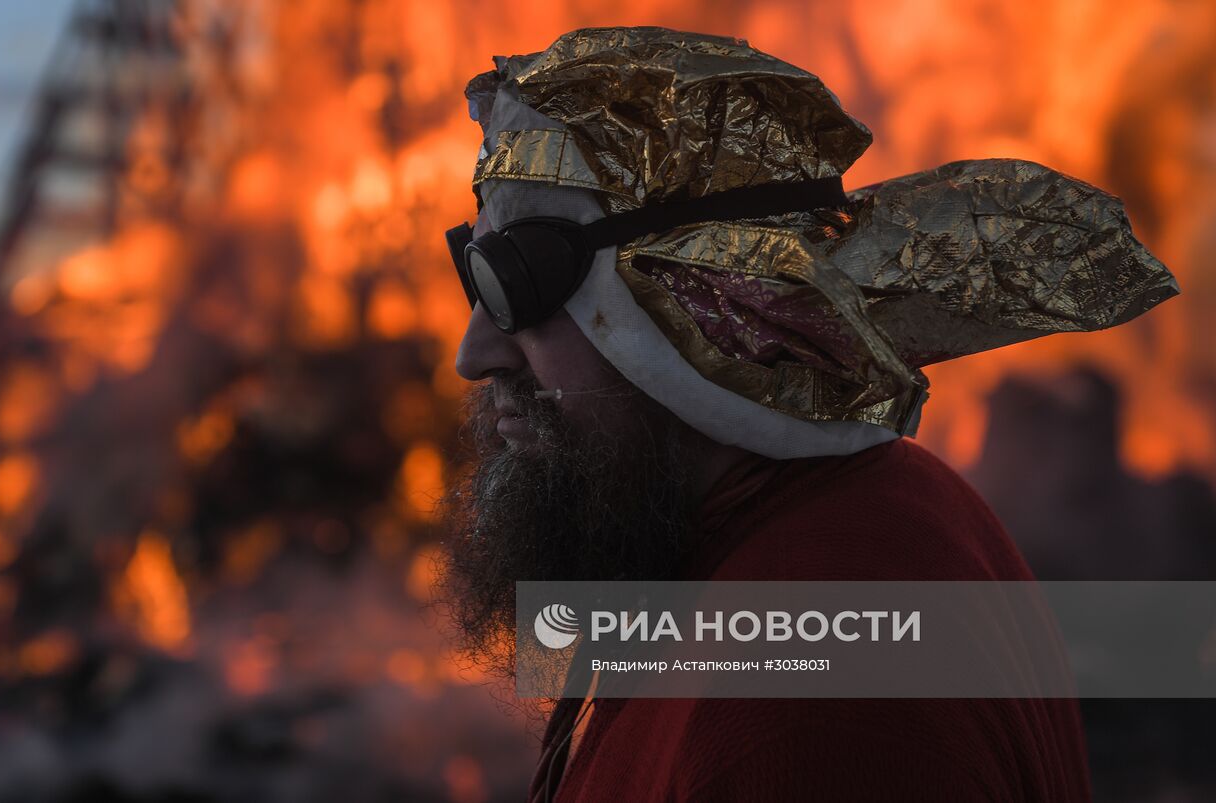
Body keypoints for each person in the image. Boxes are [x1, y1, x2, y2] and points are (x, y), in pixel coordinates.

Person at [434, 26, 1178, 802]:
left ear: (698, 306)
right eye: (472, 268)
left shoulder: (810, 703)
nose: (475, 352)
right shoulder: (746, 553)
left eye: (518, 283)